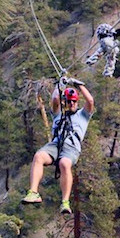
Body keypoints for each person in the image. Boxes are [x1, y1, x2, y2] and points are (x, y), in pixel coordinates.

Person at [22, 80, 95, 214]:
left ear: (77, 102)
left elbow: (90, 101)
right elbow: (55, 98)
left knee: (64, 163)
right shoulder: (58, 114)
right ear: (65, 102)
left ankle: (65, 202)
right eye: (69, 101)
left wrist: (79, 85)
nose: (71, 103)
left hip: (71, 147)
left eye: (73, 101)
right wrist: (60, 85)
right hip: (56, 144)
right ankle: (33, 192)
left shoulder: (82, 115)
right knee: (38, 156)